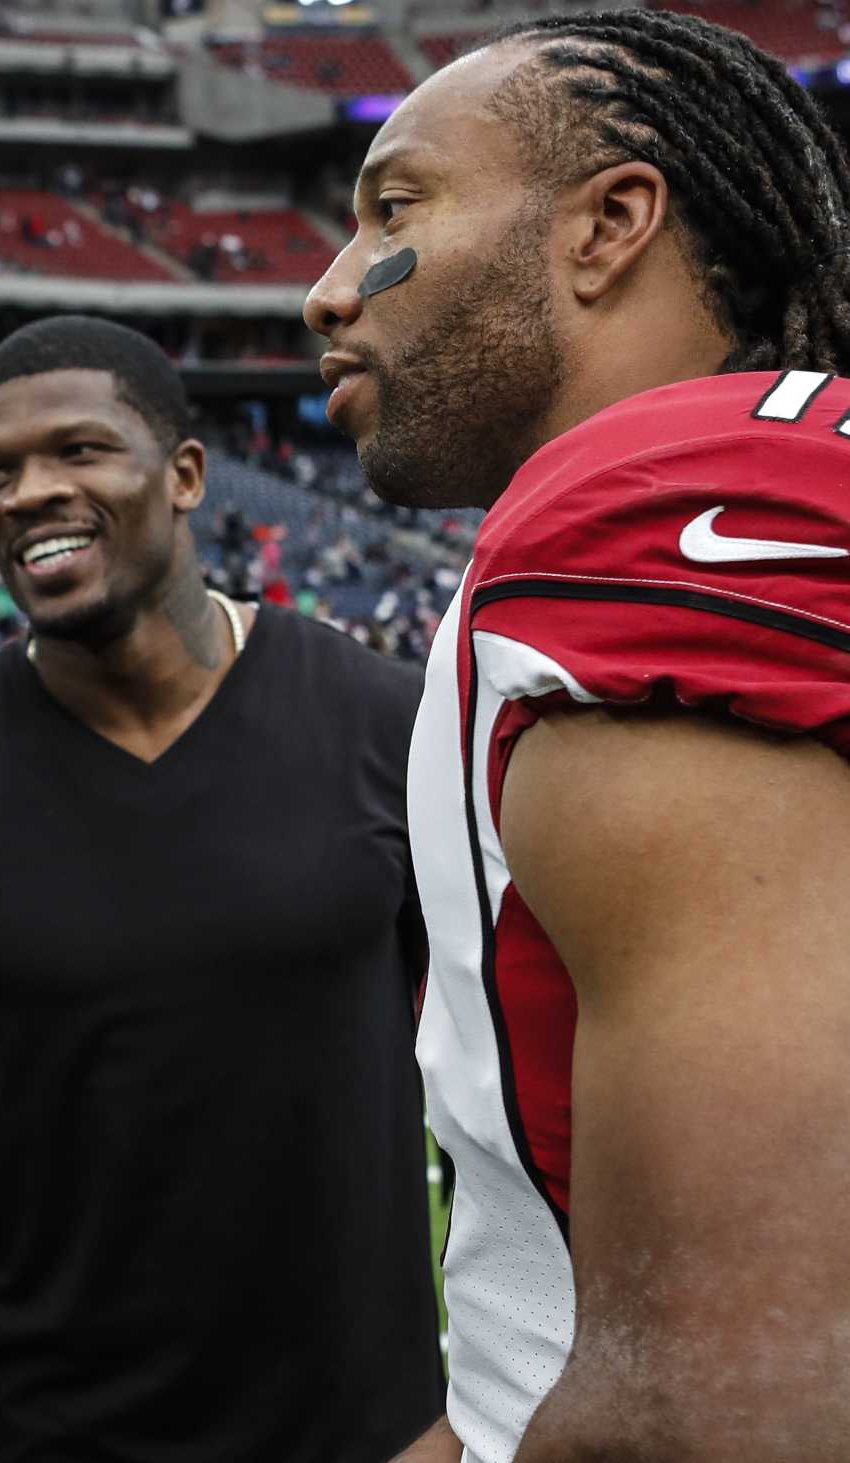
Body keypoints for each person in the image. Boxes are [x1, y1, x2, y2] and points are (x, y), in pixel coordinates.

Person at [302, 12, 850, 1461]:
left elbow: (729, 1400)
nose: (327, 290)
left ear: (609, 225)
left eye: (393, 208)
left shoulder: (666, 508)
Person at [0, 315, 442, 1463]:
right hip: (64, 1435)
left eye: (77, 450)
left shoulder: (388, 725)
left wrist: (469, 1406)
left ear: (183, 475)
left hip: (369, 1433)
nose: (28, 493)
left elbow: (499, 1087)